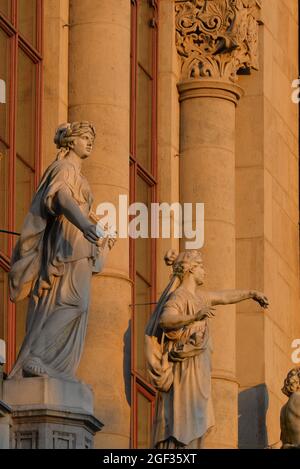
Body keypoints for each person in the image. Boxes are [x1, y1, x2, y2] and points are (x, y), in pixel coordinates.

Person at [9, 121, 115, 381]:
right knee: (72, 302)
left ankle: (53, 364)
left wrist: (99, 230)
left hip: (77, 242)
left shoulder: (77, 175)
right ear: (70, 141)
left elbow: (76, 203)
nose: (89, 142)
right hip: (68, 243)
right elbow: (61, 198)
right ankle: (36, 356)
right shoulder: (64, 167)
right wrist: (86, 224)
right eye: (84, 137)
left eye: (92, 138)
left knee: (75, 304)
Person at [145, 249, 269, 448]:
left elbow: (224, 297)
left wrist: (251, 293)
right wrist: (194, 317)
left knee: (195, 423)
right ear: (191, 269)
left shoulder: (200, 297)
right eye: (201, 266)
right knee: (184, 424)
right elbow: (165, 320)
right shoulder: (179, 296)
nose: (205, 271)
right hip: (186, 371)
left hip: (198, 369)